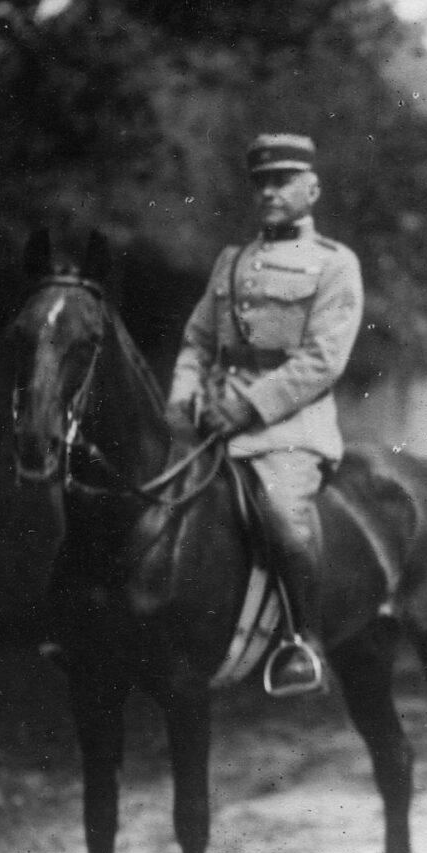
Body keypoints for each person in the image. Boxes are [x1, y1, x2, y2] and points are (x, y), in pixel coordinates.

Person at [166, 132, 365, 696]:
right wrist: (182, 400)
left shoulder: (334, 264)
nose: (270, 192)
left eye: (283, 181)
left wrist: (248, 407)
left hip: (289, 428)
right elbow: (197, 341)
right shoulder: (233, 262)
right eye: (262, 183)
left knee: (281, 514)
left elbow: (323, 360)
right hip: (213, 423)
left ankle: (302, 641)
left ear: (312, 189)